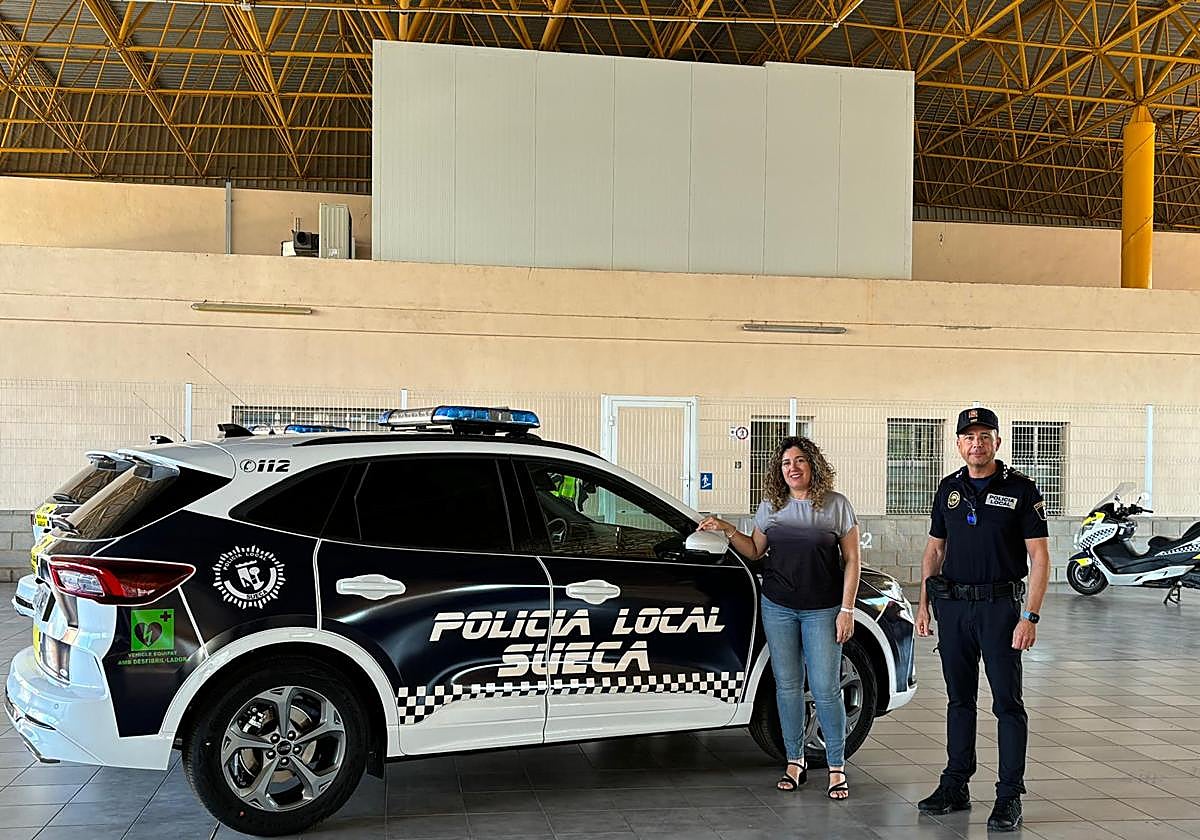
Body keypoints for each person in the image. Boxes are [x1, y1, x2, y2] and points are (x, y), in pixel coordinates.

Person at [699, 436, 861, 800]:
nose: (793, 467)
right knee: (787, 688)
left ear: (813, 465)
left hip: (823, 609)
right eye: (787, 462)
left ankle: (836, 767)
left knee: (825, 689)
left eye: (800, 460)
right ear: (779, 469)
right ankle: (794, 761)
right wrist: (727, 530)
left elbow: (852, 561)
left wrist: (846, 610)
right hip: (778, 607)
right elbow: (756, 550)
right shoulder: (771, 506)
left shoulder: (836, 506)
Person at [915, 406, 1050, 832]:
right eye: (968, 436)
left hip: (1000, 610)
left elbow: (1040, 557)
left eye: (984, 435)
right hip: (953, 608)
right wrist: (923, 603)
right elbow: (935, 549)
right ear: (958, 444)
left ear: (997, 441)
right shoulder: (948, 488)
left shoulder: (1021, 489)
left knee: (1007, 704)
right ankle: (956, 783)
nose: (976, 443)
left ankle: (1009, 795)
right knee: (959, 701)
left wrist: (1030, 616)